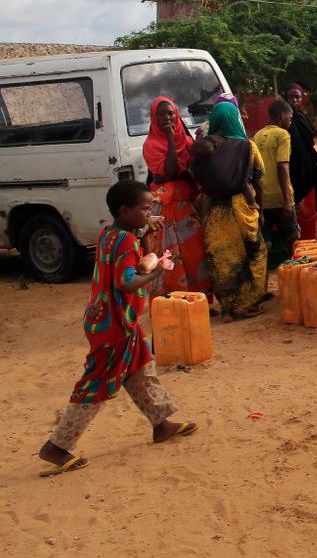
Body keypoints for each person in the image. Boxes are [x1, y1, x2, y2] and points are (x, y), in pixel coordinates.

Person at [37, 181, 197, 478]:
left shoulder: (112, 234)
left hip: (115, 320)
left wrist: (146, 237)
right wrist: (159, 272)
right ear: (125, 210)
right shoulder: (123, 241)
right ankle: (56, 447)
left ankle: (160, 423)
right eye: (145, 208)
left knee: (141, 368)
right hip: (114, 324)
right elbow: (126, 281)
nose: (151, 212)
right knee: (96, 384)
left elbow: (137, 262)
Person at [190, 101, 268, 319]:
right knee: (255, 252)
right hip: (241, 206)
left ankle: (227, 307)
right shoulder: (246, 146)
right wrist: (259, 208)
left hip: (213, 209)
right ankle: (248, 303)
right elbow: (260, 180)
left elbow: (193, 174)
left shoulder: (203, 148)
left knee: (223, 257)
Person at [143, 97, 211, 299]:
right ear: (154, 118)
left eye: (171, 113)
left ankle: (200, 300)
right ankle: (174, 301)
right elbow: (172, 168)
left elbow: (189, 172)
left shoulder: (188, 142)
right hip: (166, 209)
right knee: (170, 255)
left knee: (195, 254)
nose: (167, 117)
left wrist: (171, 176)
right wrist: (171, 138)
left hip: (188, 206)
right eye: (161, 114)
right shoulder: (151, 145)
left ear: (177, 115)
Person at [253, 99, 298, 271]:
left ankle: (267, 274)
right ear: (281, 115)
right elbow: (282, 165)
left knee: (266, 240)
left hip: (263, 197)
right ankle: (293, 273)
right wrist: (287, 200)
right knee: (291, 238)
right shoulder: (283, 135)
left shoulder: (257, 135)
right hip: (281, 197)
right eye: (290, 117)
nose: (290, 121)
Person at [284, 85, 317, 240]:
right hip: (291, 165)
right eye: (291, 97)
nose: (295, 100)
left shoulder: (302, 116)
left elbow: (309, 139)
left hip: (306, 165)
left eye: (297, 97)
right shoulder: (284, 119)